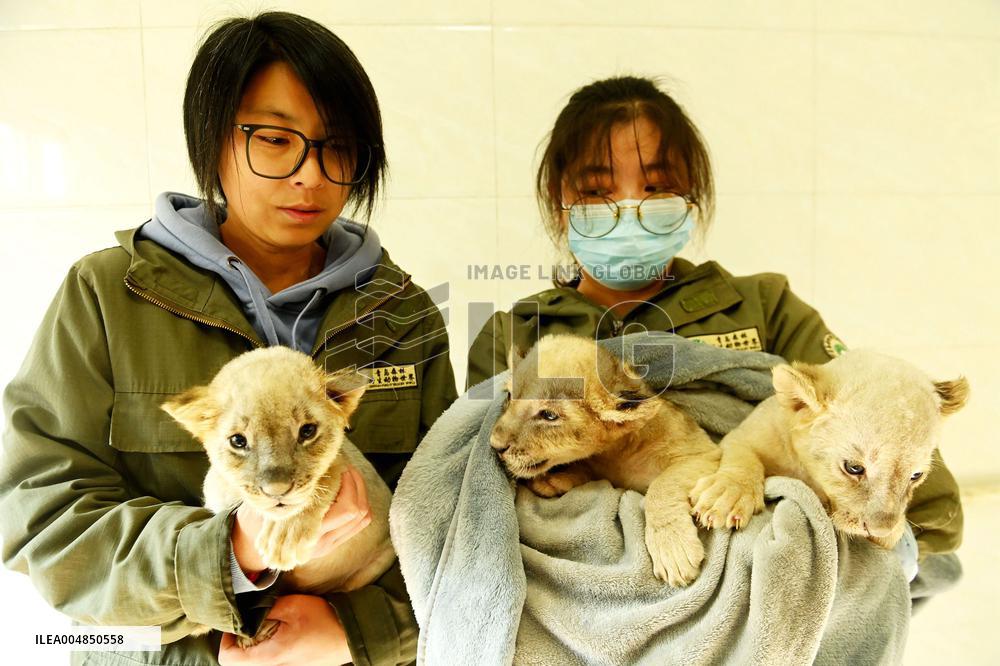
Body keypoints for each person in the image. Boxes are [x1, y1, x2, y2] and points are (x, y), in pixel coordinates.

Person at [0, 12, 456, 666]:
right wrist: (234, 551)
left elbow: (461, 529)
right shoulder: (106, 296)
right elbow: (42, 525)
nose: (311, 175)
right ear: (214, 139)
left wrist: (358, 633)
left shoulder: (403, 314)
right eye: (274, 139)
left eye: (337, 147)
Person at [465, 75, 961, 564]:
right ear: (560, 200)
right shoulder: (518, 335)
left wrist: (870, 568)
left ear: (691, 197)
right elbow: (491, 503)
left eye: (657, 187)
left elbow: (909, 483)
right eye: (598, 191)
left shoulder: (765, 305)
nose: (630, 208)